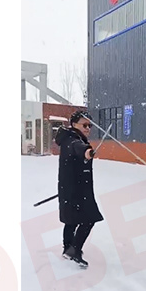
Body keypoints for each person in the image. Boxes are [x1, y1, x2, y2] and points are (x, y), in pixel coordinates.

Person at [55, 110, 104, 268]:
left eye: (90, 125)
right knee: (88, 219)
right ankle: (74, 250)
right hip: (77, 191)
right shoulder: (72, 140)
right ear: (74, 124)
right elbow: (78, 148)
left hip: (71, 188)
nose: (88, 128)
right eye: (84, 125)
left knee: (71, 221)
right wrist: (87, 152)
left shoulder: (69, 138)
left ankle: (67, 249)